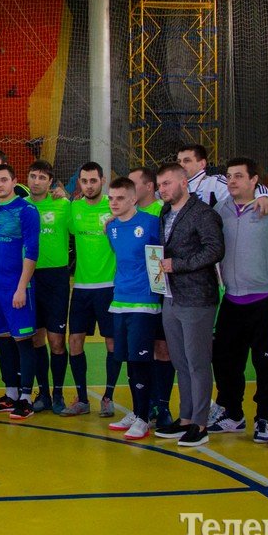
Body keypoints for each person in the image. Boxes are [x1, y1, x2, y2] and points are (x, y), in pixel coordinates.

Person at [210, 157, 268, 442]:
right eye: (229, 176)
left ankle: (263, 417)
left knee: (266, 363)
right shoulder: (220, 210)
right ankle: (232, 413)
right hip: (232, 299)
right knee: (224, 359)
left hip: (265, 299)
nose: (232, 181)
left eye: (239, 176)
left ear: (254, 180)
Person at [154, 164, 225, 447]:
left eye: (167, 183)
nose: (162, 189)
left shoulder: (203, 213)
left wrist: (179, 265)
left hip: (196, 297)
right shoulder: (164, 212)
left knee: (197, 362)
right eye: (160, 184)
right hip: (171, 296)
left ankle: (200, 423)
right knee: (180, 362)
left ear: (184, 182)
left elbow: (215, 249)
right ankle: (185, 418)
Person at [61, 162, 119, 418]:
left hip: (109, 287)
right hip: (82, 287)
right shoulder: (73, 208)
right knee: (74, 342)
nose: (88, 185)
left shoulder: (114, 207)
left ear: (102, 181)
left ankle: (108, 397)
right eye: (84, 181)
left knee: (112, 342)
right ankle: (82, 399)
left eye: (93, 180)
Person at [104, 177, 160, 440]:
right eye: (111, 198)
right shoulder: (112, 227)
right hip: (120, 300)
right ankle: (137, 412)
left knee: (141, 360)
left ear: (133, 199)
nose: (114, 203)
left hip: (144, 302)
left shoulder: (150, 223)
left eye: (120, 198)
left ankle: (144, 417)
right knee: (126, 358)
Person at [0, 163, 39, 420]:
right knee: (3, 340)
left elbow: (32, 251)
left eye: (4, 179)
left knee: (23, 341)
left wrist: (21, 288)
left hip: (16, 287)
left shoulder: (26, 210)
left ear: (15, 181)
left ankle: (26, 397)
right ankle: (11, 393)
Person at [25, 160, 71, 414]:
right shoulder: (22, 206)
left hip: (56, 279)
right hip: (30, 277)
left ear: (51, 182)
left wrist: (68, 197)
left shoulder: (63, 205)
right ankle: (42, 392)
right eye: (33, 176)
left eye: (42, 177)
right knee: (36, 338)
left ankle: (59, 393)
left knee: (57, 341)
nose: (37, 181)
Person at [130, 166, 174, 426]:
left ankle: (163, 406)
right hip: (136, 295)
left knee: (162, 349)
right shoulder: (128, 213)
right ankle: (142, 407)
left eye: (134, 184)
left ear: (148, 187)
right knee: (138, 352)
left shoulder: (163, 211)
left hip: (161, 291)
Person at [177, 143, 268, 213]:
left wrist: (263, 195)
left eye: (186, 161)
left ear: (202, 164)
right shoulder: (175, 186)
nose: (181, 165)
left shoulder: (214, 183)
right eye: (179, 161)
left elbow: (246, 189)